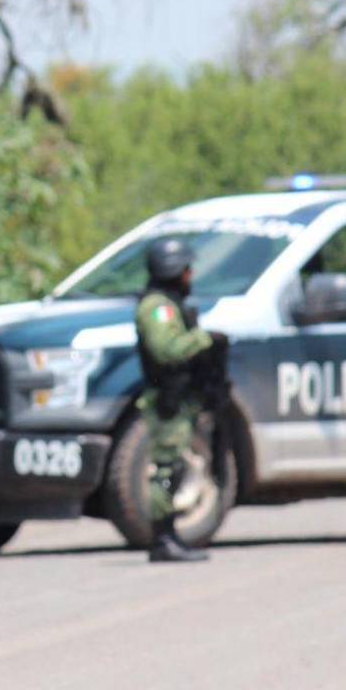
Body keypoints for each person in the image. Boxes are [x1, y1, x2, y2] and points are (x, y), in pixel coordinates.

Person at [134, 237, 227, 563]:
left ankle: (169, 536)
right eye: (186, 268)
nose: (191, 274)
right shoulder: (157, 307)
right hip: (167, 400)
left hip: (179, 397)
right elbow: (167, 349)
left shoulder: (169, 303)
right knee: (166, 469)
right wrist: (204, 340)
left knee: (173, 466)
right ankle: (162, 539)